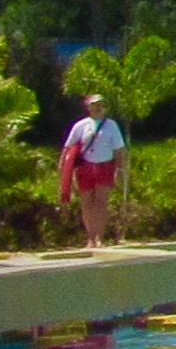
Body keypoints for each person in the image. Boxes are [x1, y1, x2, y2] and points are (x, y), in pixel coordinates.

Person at [56, 95, 124, 248]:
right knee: (86, 203)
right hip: (85, 167)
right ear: (88, 107)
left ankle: (100, 237)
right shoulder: (80, 125)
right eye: (94, 105)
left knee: (101, 202)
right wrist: (63, 168)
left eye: (100, 104)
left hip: (104, 166)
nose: (97, 107)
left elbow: (119, 149)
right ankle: (90, 237)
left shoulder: (111, 125)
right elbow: (68, 147)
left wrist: (120, 169)